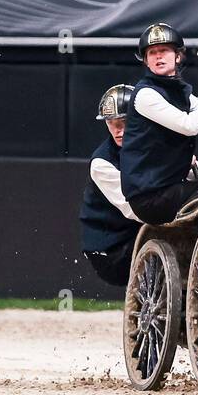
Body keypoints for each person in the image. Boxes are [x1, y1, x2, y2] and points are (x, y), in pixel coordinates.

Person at [119, 25, 198, 226]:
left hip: (170, 187)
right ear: (146, 62)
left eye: (164, 50)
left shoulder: (177, 91)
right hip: (151, 197)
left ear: (177, 56)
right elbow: (190, 125)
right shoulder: (146, 95)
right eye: (152, 53)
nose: (158, 56)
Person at [79, 84, 144, 286]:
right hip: (110, 251)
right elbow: (133, 208)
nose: (118, 130)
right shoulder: (101, 163)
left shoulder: (150, 147)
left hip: (133, 236)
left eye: (124, 121)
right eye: (111, 123)